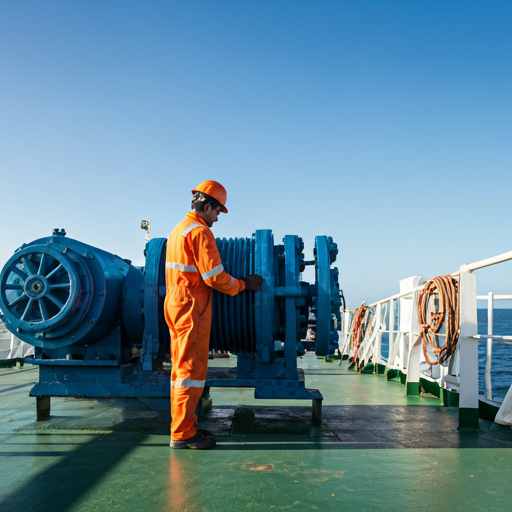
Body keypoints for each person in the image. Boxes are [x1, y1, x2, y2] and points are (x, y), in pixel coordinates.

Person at [164, 180, 263, 450]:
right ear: (207, 206)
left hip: (176, 302)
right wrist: (244, 284)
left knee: (180, 369)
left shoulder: (178, 229)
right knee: (190, 371)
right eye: (218, 212)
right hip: (191, 305)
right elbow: (215, 278)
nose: (217, 218)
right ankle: (183, 434)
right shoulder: (200, 232)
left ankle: (185, 426)